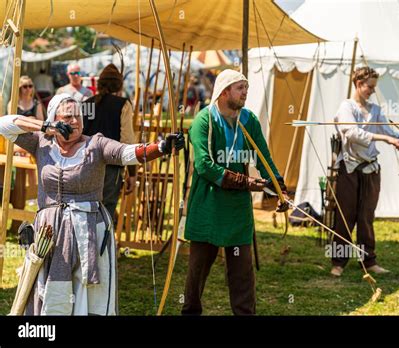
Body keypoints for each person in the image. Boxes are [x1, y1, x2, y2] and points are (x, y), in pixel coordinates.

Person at [0, 93, 184, 315]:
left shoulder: (95, 144)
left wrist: (162, 147)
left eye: (78, 115)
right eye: (68, 117)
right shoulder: (40, 143)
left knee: (87, 293)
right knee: (52, 293)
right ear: (55, 120)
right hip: (50, 234)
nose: (75, 121)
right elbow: (4, 125)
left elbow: (127, 153)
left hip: (89, 231)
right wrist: (45, 127)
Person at [181, 69, 288, 316]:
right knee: (197, 272)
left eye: (246, 88)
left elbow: (263, 157)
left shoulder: (248, 119)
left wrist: (278, 189)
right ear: (224, 91)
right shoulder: (204, 120)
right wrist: (245, 182)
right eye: (240, 88)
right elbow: (204, 165)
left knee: (242, 273)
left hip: (237, 208)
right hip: (208, 204)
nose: (245, 93)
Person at [330, 66, 399, 277]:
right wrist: (384, 139)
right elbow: (351, 133)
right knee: (344, 217)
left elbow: (390, 132)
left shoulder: (375, 110)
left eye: (373, 87)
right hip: (349, 169)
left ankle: (368, 261)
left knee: (366, 217)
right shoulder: (346, 107)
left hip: (371, 169)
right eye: (370, 86)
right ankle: (338, 262)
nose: (372, 90)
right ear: (359, 84)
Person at [82, 64, 136, 221]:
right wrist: (132, 173)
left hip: (87, 164)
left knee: (87, 210)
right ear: (119, 85)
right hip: (111, 168)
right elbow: (127, 142)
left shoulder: (88, 103)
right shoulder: (122, 104)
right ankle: (102, 246)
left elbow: (81, 134)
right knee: (105, 213)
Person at [5, 76, 44, 233]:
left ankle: (31, 197)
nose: (28, 89)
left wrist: (31, 121)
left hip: (32, 142)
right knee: (17, 174)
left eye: (30, 86)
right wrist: (27, 121)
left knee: (31, 171)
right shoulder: (12, 103)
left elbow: (41, 124)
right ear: (19, 88)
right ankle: (19, 204)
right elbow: (9, 123)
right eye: (25, 86)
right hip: (17, 143)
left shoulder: (37, 104)